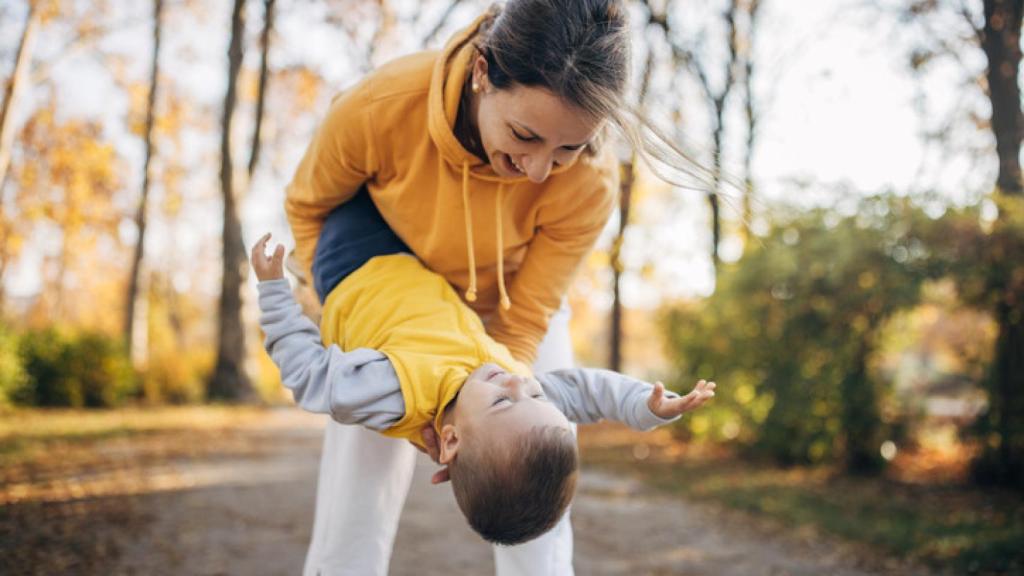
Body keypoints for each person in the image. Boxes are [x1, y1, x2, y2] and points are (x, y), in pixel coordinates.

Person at [283, 1, 703, 574]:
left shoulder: (590, 186)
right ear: (483, 71)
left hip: (509, 313)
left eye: (568, 148)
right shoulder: (380, 107)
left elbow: (528, 315)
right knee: (356, 500)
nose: (537, 170)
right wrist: (350, 318)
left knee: (535, 471)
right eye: (525, 135)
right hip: (396, 306)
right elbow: (310, 208)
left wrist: (488, 408)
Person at [251, 225, 715, 545]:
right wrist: (648, 406)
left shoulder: (397, 393)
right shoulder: (512, 396)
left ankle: (303, 269)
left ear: (450, 438)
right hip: (417, 255)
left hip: (353, 262)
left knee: (355, 169)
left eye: (502, 402)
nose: (518, 382)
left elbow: (309, 377)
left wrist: (273, 294)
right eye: (534, 394)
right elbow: (585, 392)